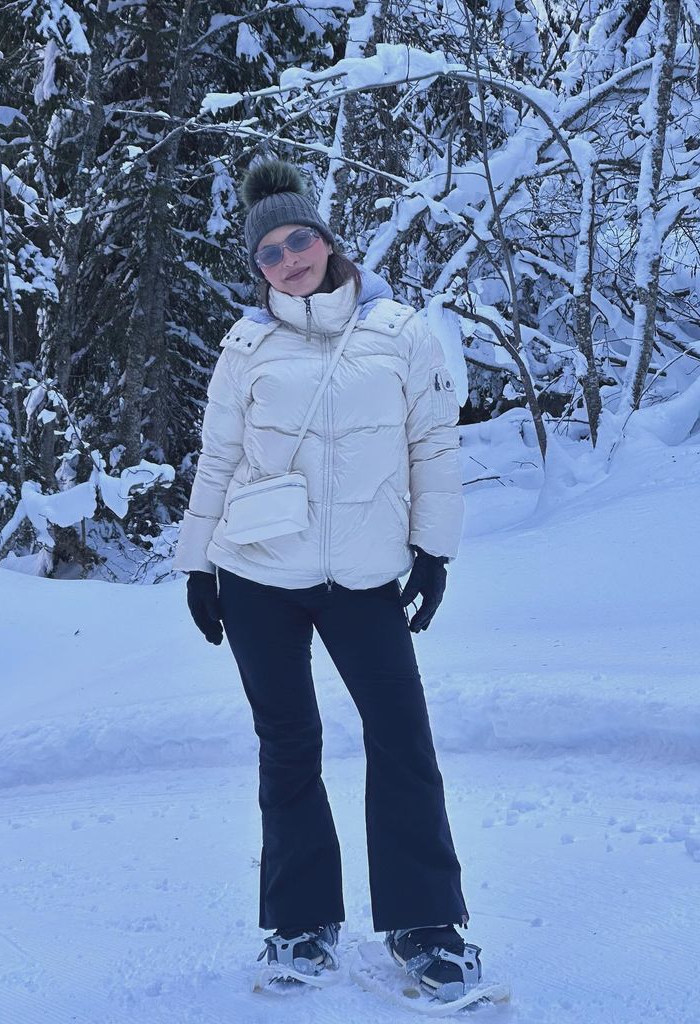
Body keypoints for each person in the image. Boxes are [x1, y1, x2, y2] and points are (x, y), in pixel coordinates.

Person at [173, 158, 482, 1001]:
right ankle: (301, 925)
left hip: (363, 576)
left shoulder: (402, 331)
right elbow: (220, 458)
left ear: (326, 237)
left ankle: (427, 926)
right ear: (257, 269)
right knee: (288, 747)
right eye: (268, 252)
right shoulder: (247, 346)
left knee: (401, 739)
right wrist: (197, 564)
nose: (288, 259)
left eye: (297, 238)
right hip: (258, 573)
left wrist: (433, 549)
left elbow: (432, 447)